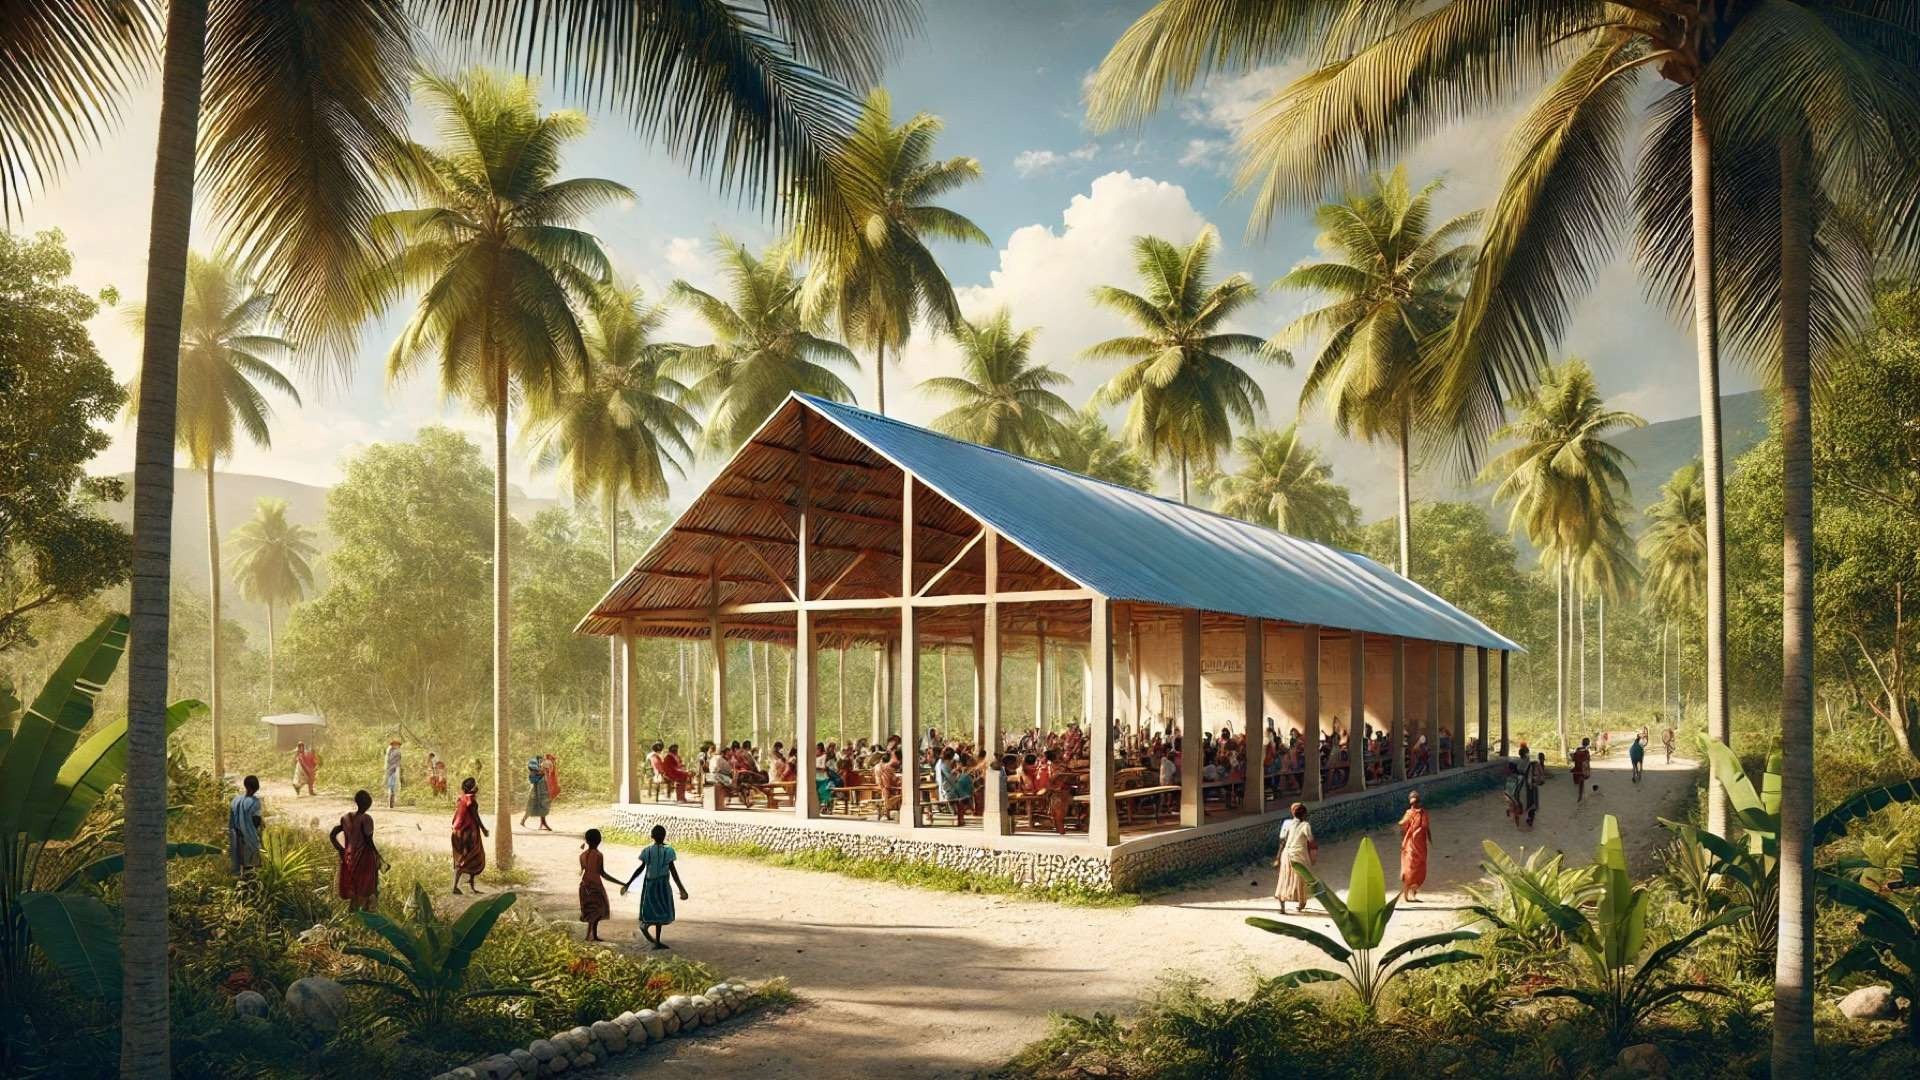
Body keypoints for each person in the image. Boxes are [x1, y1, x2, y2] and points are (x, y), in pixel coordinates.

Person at [621, 824, 689, 950]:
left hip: (650, 885)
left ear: (652, 836)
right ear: (664, 836)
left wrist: (628, 883)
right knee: (661, 911)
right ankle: (655, 939)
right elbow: (673, 872)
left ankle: (649, 930)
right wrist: (681, 889)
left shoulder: (647, 851)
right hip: (662, 885)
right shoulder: (668, 851)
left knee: (651, 909)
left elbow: (640, 869)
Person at [329, 790, 381, 912]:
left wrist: (341, 849)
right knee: (366, 888)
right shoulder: (367, 819)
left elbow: (333, 833)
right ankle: (364, 914)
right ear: (368, 804)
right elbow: (369, 841)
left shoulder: (346, 818)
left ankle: (353, 913)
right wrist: (378, 856)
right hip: (364, 857)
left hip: (349, 857)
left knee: (354, 886)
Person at [579, 829, 625, 942]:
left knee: (591, 911)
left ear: (587, 840)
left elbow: (583, 871)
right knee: (599, 910)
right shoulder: (599, 855)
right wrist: (620, 882)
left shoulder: (582, 855)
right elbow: (603, 873)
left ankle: (593, 935)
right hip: (595, 886)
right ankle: (590, 936)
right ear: (599, 840)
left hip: (584, 886)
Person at [1272, 802, 1317, 914]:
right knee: (1301, 879)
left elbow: (1282, 842)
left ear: (1293, 812)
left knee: (1283, 879)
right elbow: (1311, 841)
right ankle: (1302, 903)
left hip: (1286, 854)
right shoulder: (1306, 825)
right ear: (1305, 814)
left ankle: (1282, 907)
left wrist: (1277, 858)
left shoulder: (1288, 824)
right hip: (1299, 855)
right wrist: (1313, 856)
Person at [450, 776, 488, 894]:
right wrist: (484, 829)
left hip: (458, 831)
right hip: (468, 833)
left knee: (469, 857)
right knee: (468, 858)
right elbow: (476, 817)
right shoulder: (471, 801)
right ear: (472, 788)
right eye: (475, 785)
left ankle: (470, 886)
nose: (477, 787)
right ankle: (455, 886)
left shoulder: (461, 798)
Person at [1397, 791, 1431, 902]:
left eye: (1415, 802)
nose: (1414, 805)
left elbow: (1425, 826)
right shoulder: (1411, 813)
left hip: (1419, 845)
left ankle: (1412, 894)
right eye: (1412, 803)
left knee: (1419, 868)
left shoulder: (1422, 813)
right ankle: (1406, 894)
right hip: (1410, 844)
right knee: (1409, 868)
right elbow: (1402, 824)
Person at [228, 775, 264, 877]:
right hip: (249, 839)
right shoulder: (255, 802)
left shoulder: (235, 800)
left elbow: (231, 820)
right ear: (256, 788)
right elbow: (256, 821)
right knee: (250, 868)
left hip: (235, 838)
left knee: (239, 865)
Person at [935, 747, 971, 826]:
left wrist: (954, 773)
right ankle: (960, 816)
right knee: (963, 790)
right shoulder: (943, 765)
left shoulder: (943, 764)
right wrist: (957, 776)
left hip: (948, 787)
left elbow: (950, 776)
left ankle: (961, 815)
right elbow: (951, 779)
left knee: (963, 789)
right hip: (946, 790)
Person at [521, 756, 552, 830]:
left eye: (546, 769)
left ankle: (543, 823)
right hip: (534, 793)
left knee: (543, 806)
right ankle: (523, 821)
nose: (546, 770)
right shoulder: (535, 774)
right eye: (545, 768)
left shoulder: (543, 775)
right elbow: (532, 781)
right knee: (531, 806)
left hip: (542, 793)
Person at [1524, 749, 1546, 828]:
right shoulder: (1538, 765)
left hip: (1528, 787)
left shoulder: (1528, 765)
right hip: (1534, 787)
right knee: (1533, 803)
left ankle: (1530, 818)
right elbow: (1542, 779)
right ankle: (1531, 818)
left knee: (1529, 802)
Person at [1503, 760, 1525, 828]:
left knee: (1516, 808)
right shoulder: (1520, 777)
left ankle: (1510, 811)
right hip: (1515, 795)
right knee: (1517, 809)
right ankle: (1517, 822)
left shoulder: (1510, 778)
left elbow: (1507, 788)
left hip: (1512, 795)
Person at [1570, 738, 1592, 802]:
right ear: (1588, 743)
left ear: (1582, 742)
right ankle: (1580, 797)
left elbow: (1573, 759)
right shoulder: (1586, 751)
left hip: (1577, 768)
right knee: (1582, 783)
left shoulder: (1578, 749)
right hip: (1583, 769)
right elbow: (1587, 760)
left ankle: (1579, 796)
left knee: (1578, 784)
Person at [383, 739, 403, 808]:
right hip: (391, 770)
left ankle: (391, 802)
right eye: (395, 744)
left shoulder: (396, 752)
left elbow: (397, 762)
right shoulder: (390, 751)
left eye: (397, 744)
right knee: (391, 786)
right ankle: (390, 802)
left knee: (392, 786)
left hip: (394, 770)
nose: (396, 746)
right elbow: (388, 761)